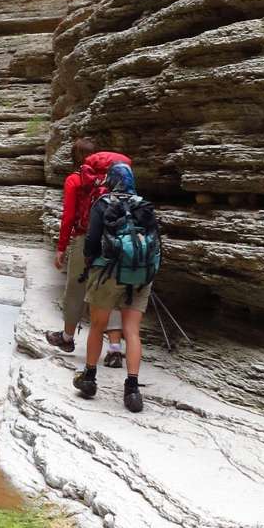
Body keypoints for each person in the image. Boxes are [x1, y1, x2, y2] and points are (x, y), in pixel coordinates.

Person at [73, 162, 161, 413]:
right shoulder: (144, 205)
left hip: (107, 273)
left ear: (112, 180)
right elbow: (155, 242)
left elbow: (92, 240)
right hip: (139, 275)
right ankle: (132, 390)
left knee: (98, 325)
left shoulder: (103, 204)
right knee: (132, 331)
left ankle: (89, 378)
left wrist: (90, 263)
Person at [45, 139, 130, 360]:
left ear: (74, 157)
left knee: (76, 287)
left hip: (84, 239)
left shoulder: (75, 179)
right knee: (110, 291)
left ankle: (67, 337)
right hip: (114, 240)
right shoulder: (115, 178)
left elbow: (68, 217)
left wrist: (61, 247)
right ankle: (114, 349)